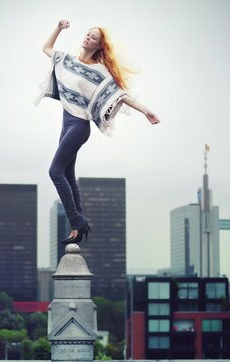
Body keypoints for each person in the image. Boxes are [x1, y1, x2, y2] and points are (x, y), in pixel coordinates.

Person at [37, 19, 160, 245]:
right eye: (87, 34)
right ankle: (78, 226)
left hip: (79, 126)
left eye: (93, 37)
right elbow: (46, 48)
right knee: (68, 175)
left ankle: (77, 220)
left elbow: (120, 95)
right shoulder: (66, 61)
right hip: (66, 124)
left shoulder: (99, 72)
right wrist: (58, 28)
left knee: (55, 172)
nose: (87, 38)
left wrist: (146, 111)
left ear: (99, 46)